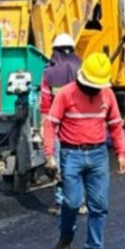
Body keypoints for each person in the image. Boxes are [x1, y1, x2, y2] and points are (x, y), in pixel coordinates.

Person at [42, 52, 125, 249]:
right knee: (71, 203)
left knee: (99, 206)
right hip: (71, 154)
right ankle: (65, 239)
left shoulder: (107, 94)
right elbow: (50, 124)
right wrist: (50, 156)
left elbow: (115, 125)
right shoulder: (66, 94)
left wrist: (121, 153)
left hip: (98, 154)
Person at [42, 33, 81, 216]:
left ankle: (60, 202)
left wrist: (44, 125)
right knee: (78, 164)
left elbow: (45, 102)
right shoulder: (82, 69)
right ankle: (80, 202)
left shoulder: (49, 72)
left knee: (58, 164)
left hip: (58, 125)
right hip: (78, 124)